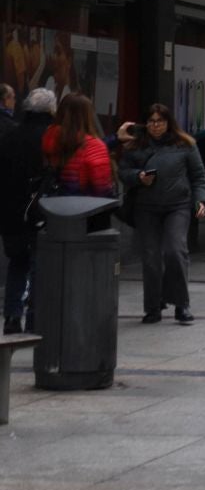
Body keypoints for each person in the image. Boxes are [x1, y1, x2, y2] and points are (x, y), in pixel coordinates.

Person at [119, 105, 205, 325]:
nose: (156, 125)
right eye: (151, 121)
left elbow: (199, 177)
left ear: (169, 123)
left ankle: (182, 304)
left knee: (175, 251)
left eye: (160, 121)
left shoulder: (185, 144)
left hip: (177, 206)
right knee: (151, 258)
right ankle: (152, 307)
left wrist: (201, 201)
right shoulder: (134, 146)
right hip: (146, 208)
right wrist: (138, 177)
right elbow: (122, 172)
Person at [0, 88, 56, 334]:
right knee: (38, 265)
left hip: (11, 211)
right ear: (51, 110)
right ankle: (35, 319)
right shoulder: (51, 136)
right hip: (39, 211)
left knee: (16, 263)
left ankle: (12, 317)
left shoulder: (11, 134)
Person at [44, 92, 114, 198]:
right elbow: (102, 188)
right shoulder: (93, 145)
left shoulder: (49, 137)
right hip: (82, 208)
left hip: (51, 205)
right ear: (88, 116)